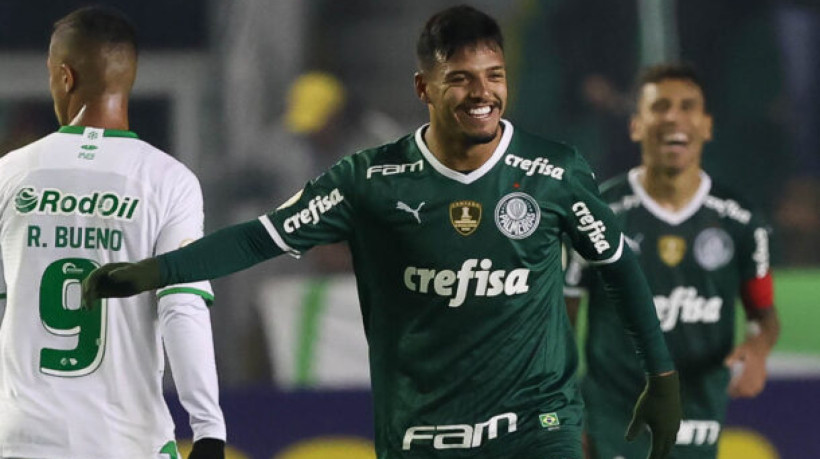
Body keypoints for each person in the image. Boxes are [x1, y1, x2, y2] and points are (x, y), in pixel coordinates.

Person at [83, 5, 681, 458]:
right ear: (424, 88)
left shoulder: (555, 171)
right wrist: (158, 271)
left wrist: (661, 377)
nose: (483, 93)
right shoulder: (370, 180)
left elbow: (617, 269)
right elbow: (258, 237)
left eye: (494, 75)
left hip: (537, 428)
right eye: (461, 79)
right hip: (420, 434)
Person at [0, 7, 225, 458]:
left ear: (64, 76)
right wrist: (208, 427)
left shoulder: (10, 174)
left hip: (21, 438)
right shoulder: (168, 180)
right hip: (123, 440)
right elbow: (182, 307)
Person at [564, 63, 781, 459]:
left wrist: (758, 347)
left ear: (707, 125)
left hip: (697, 412)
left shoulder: (743, 223)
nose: (673, 117)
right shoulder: (597, 215)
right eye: (660, 106)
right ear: (635, 125)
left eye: (687, 106)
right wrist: (565, 416)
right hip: (614, 415)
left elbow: (763, 315)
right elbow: (561, 319)